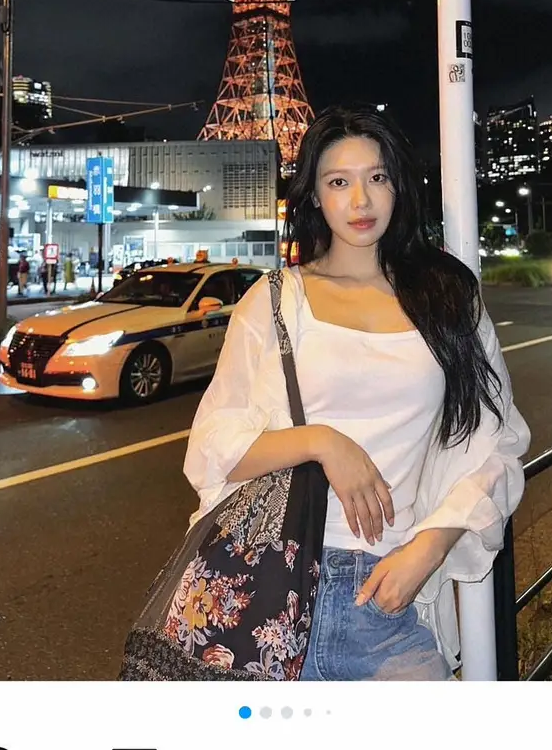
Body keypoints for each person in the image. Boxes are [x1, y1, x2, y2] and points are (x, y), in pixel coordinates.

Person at [184, 104, 530, 681]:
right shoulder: (276, 300)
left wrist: (430, 547)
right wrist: (322, 442)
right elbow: (213, 446)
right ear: (314, 196)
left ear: (399, 185)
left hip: (388, 595)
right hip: (268, 590)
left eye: (377, 178)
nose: (361, 201)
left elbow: (497, 444)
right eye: (338, 182)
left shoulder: (448, 300)